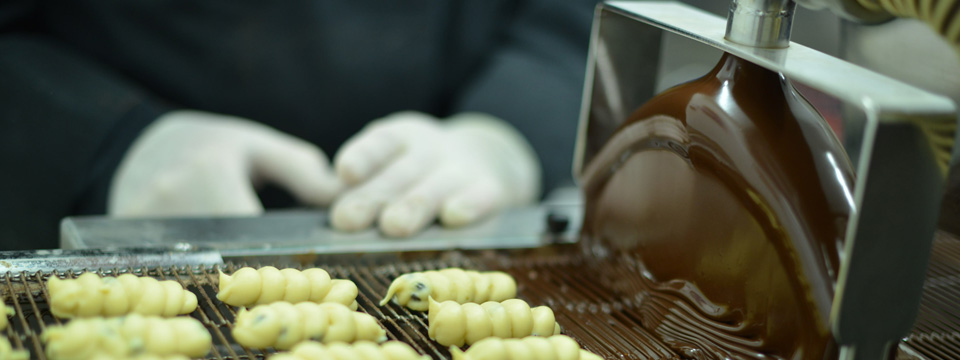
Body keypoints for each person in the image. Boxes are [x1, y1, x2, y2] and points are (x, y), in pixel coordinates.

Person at [0, 1, 597, 250]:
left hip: (448, 206)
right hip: (90, 198)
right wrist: (100, 141)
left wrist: (507, 133)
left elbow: (570, 15)